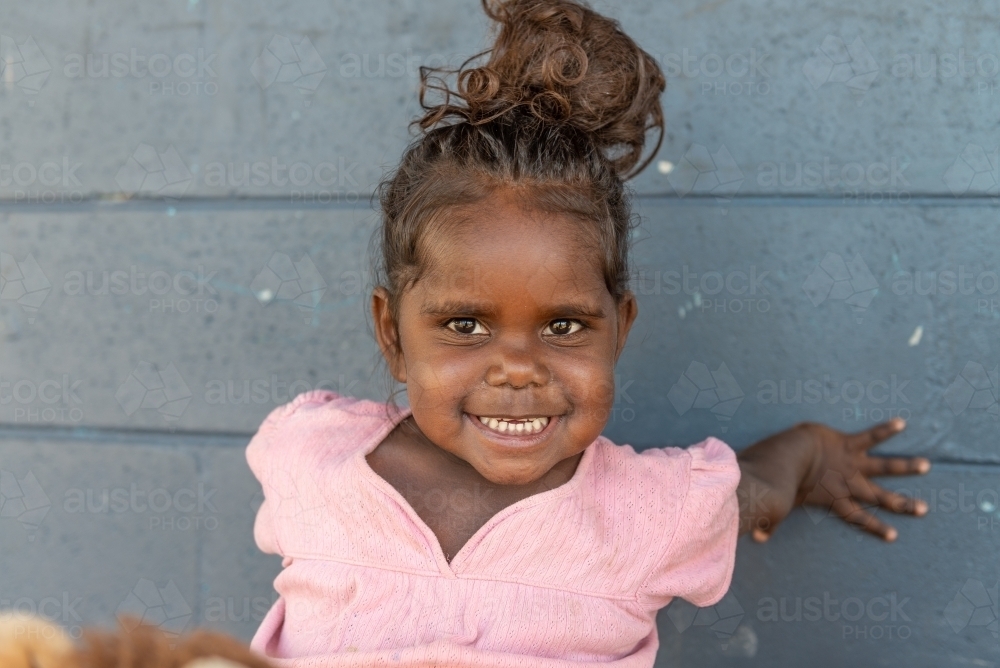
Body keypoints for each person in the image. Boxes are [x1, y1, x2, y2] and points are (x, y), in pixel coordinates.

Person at [246, 1, 930, 665]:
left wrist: (811, 453)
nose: (518, 368)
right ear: (392, 335)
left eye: (563, 325)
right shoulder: (307, 454)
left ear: (619, 331)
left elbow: (755, 491)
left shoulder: (656, 511)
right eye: (465, 325)